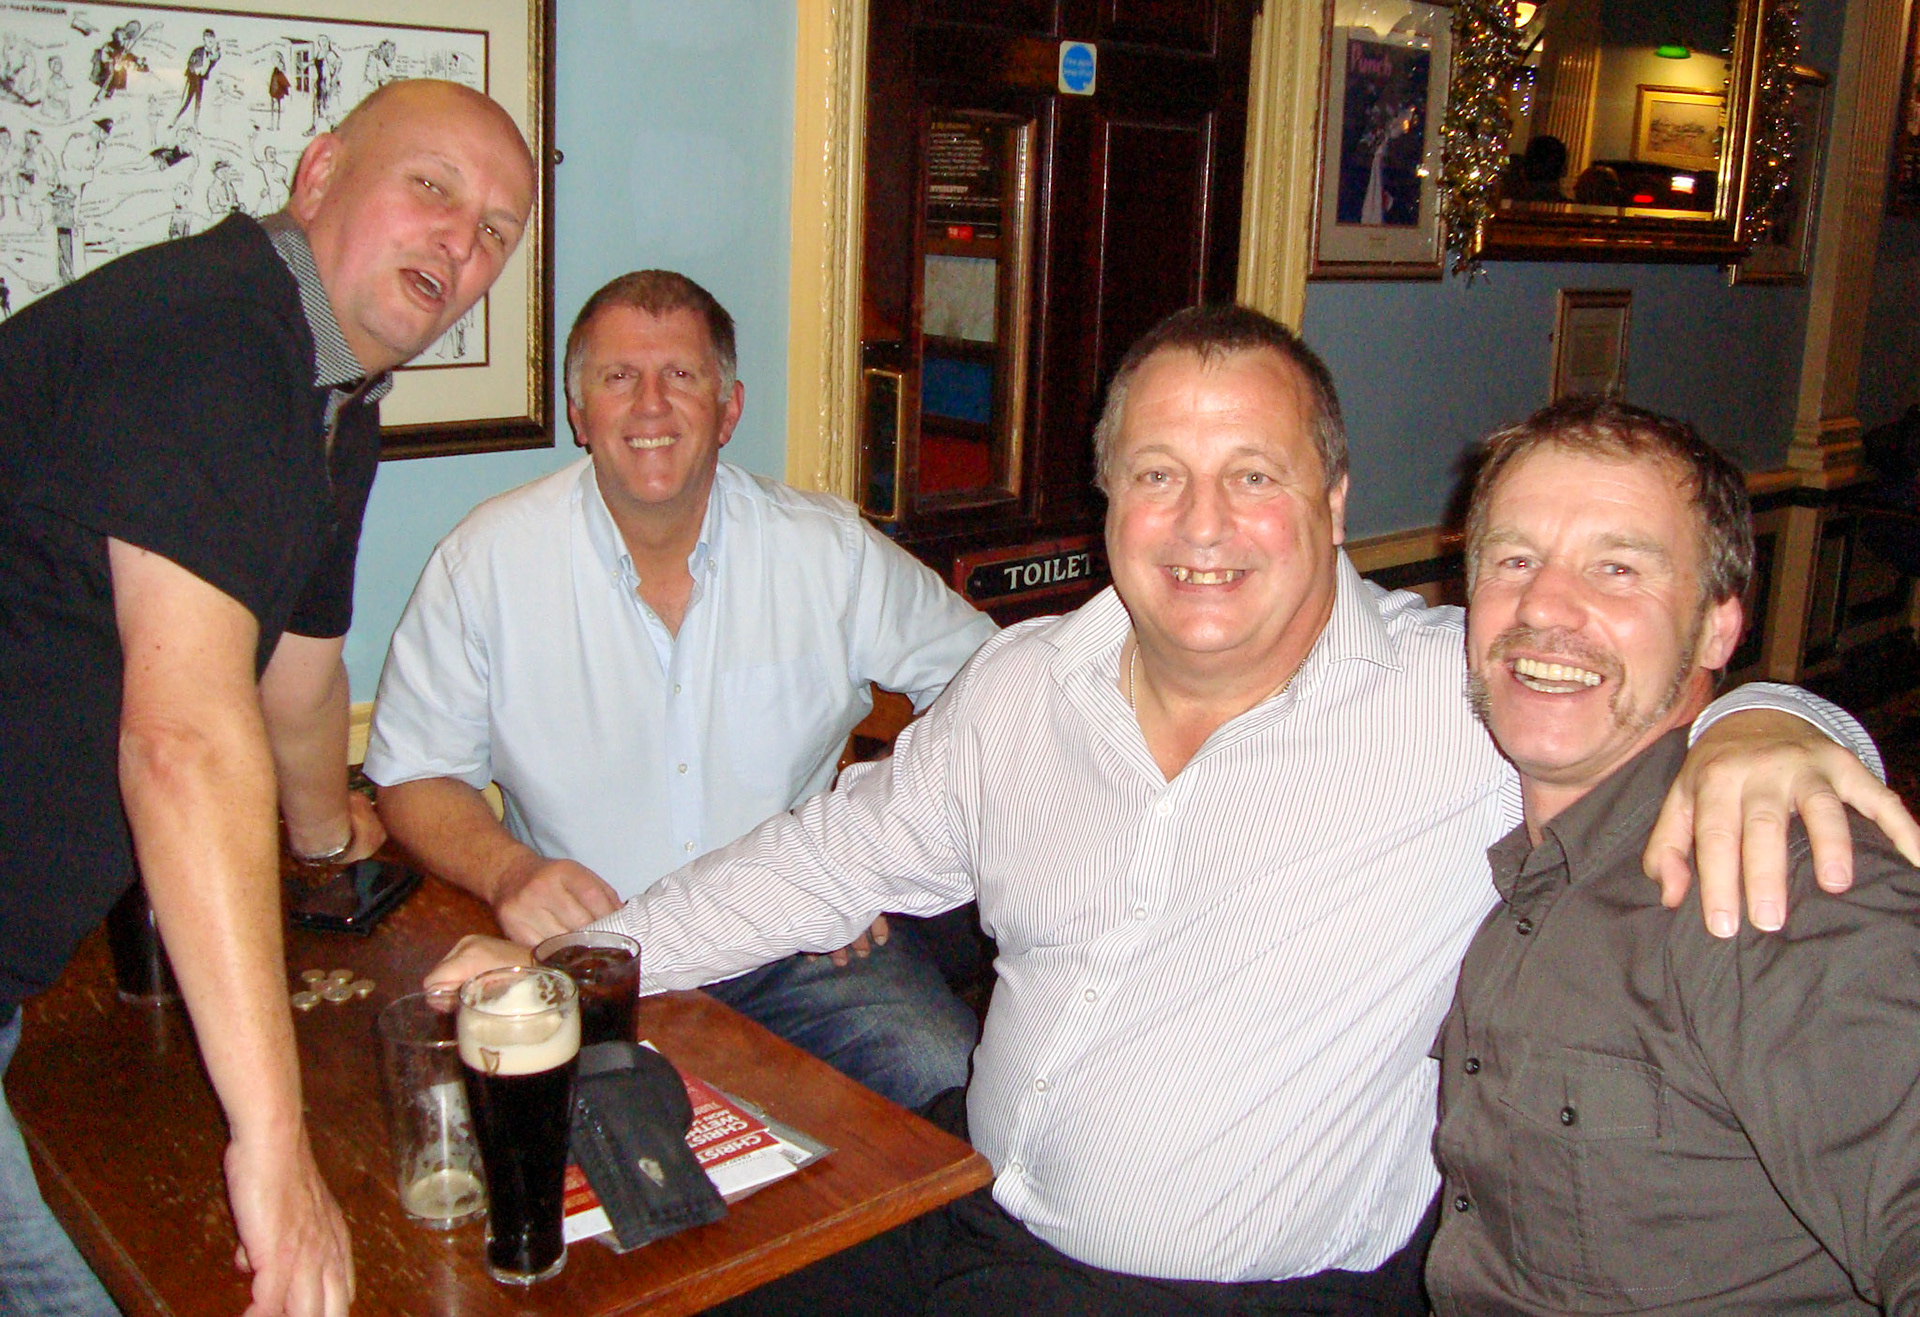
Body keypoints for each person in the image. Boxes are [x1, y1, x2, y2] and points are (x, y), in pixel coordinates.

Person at [430, 305, 1918, 1314]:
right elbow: (818, 861)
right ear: (1108, 502)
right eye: (1160, 473)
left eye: (1253, 475)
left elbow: (1631, 695)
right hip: (978, 1205)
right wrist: (570, 964)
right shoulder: (1022, 688)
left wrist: (1778, 722)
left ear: (1335, 505)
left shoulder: (1459, 698)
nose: (1203, 526)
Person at [0, 78, 535, 1317]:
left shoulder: (334, 400)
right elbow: (185, 739)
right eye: (432, 187)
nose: (461, 242)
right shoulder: (212, 335)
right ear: (319, 175)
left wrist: (332, 842)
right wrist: (275, 1150)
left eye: (495, 231)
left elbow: (297, 676)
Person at [367, 271, 995, 1110]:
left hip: (799, 945)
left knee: (953, 1084)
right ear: (578, 411)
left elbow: (996, 689)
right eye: (619, 377)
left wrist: (868, 854)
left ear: (729, 409)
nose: (651, 405)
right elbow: (414, 774)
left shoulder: (829, 554)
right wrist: (509, 872)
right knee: (542, 1148)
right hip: (578, 952)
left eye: (682, 375)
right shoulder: (485, 563)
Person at [1426, 398, 1920, 1312]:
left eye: (1618, 568)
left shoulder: (1777, 880)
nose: (1543, 605)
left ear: (1717, 629)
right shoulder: (1526, 820)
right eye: (1515, 560)